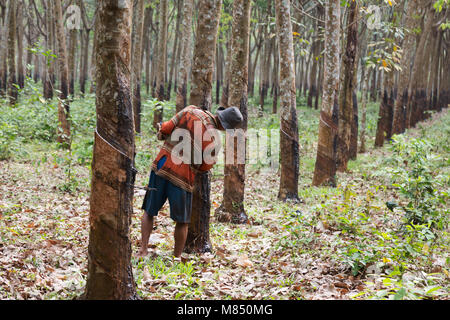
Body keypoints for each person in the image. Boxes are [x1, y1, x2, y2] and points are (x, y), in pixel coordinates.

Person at [137, 105, 244, 258]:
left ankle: (143, 250)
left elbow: (165, 128)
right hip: (182, 178)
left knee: (149, 211)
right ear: (224, 127)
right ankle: (176, 257)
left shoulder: (190, 111)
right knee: (182, 221)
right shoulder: (215, 141)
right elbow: (204, 168)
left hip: (161, 165)